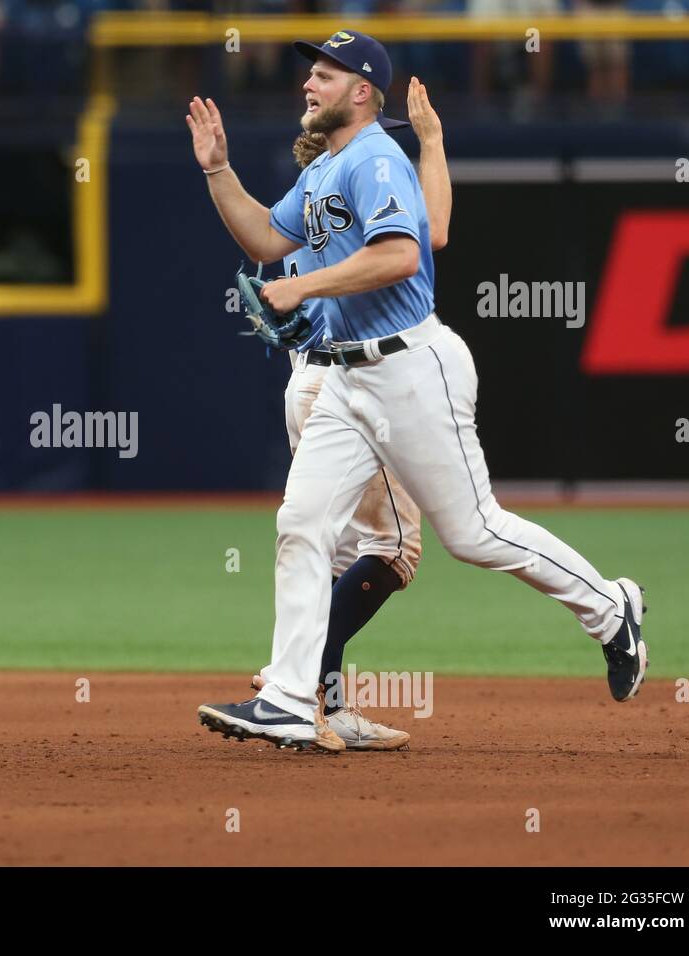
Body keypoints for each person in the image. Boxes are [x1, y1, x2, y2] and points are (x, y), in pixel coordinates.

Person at [188, 30, 647, 753]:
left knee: (474, 533)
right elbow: (265, 243)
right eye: (310, 74)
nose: (308, 85)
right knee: (301, 524)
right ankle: (284, 699)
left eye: (325, 76)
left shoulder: (375, 159)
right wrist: (217, 172)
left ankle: (612, 608)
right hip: (343, 376)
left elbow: (405, 253)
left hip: (409, 369)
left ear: (362, 91)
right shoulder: (324, 170)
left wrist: (302, 285)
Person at [241, 76, 453, 752]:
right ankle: (293, 686)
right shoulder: (347, 203)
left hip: (309, 389)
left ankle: (316, 704)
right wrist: (432, 143)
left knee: (330, 551)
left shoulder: (312, 208)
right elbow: (434, 233)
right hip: (350, 386)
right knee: (394, 550)